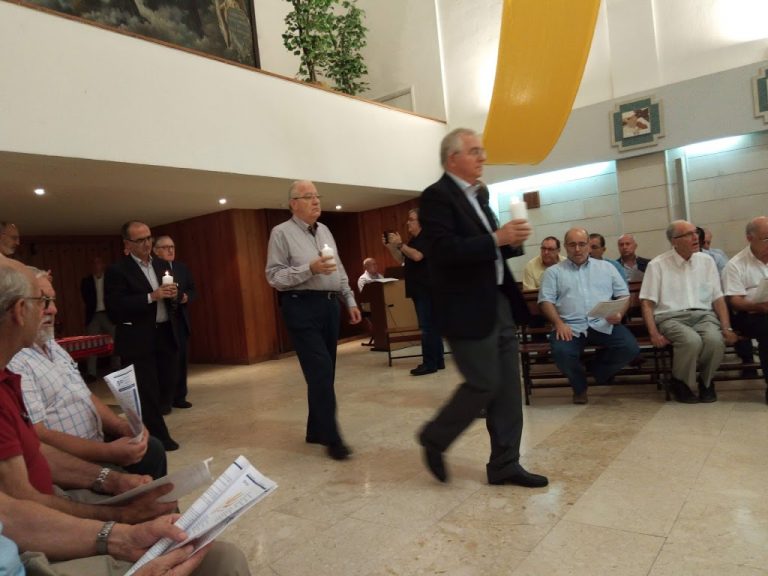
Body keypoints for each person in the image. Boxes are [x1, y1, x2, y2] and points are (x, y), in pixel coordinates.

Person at [416, 127, 547, 488]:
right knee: (483, 383)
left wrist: (511, 241)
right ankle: (435, 436)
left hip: (499, 301)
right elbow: (443, 251)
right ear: (452, 158)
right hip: (465, 308)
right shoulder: (436, 197)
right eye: (474, 151)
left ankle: (505, 463)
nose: (483, 157)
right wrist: (496, 238)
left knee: (508, 389)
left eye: (481, 151)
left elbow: (489, 249)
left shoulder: (480, 195)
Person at [0, 264, 176, 524]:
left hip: (93, 445)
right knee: (152, 504)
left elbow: (85, 395)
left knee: (153, 452)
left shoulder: (50, 345)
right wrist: (109, 465)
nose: (53, 310)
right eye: (42, 301)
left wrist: (119, 425)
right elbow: (23, 496)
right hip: (72, 460)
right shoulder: (14, 362)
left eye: (53, 300)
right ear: (19, 310)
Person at [265, 180, 361, 461]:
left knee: (325, 373)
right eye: (308, 197)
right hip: (300, 306)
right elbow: (274, 277)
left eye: (317, 196)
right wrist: (310, 268)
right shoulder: (281, 233)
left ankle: (315, 430)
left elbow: (338, 268)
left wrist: (349, 300)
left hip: (329, 306)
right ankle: (333, 438)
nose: (316, 201)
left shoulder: (326, 230)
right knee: (320, 370)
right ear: (293, 204)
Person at [640, 220, 738, 403]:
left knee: (715, 341)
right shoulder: (657, 264)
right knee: (691, 341)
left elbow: (718, 298)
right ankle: (681, 383)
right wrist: (653, 333)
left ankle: (706, 382)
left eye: (695, 233)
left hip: (704, 315)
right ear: (674, 241)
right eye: (689, 234)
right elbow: (647, 303)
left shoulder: (706, 261)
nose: (695, 237)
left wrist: (727, 327)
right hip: (670, 317)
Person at [539, 228, 639, 404]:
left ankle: (595, 370)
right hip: (569, 326)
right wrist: (558, 323)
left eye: (582, 244)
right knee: (562, 352)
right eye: (572, 245)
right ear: (565, 247)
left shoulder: (607, 268)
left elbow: (624, 295)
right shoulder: (553, 272)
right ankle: (580, 388)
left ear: (588, 246)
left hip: (603, 322)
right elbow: (545, 301)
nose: (577, 249)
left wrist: (619, 313)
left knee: (629, 348)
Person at [104, 222, 180, 451]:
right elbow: (115, 307)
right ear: (127, 244)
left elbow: (171, 299)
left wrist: (174, 295)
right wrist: (150, 296)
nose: (147, 244)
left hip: (165, 332)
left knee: (167, 383)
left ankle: (149, 427)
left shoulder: (161, 264)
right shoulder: (118, 270)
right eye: (140, 240)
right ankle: (158, 437)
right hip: (137, 337)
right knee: (147, 390)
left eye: (148, 238)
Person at [385, 209, 445, 375]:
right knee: (431, 326)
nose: (408, 222)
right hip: (420, 288)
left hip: (426, 288)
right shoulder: (414, 240)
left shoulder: (427, 237)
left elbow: (417, 256)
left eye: (411, 219)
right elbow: (402, 259)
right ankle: (438, 361)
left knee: (427, 327)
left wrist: (400, 244)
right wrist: (391, 247)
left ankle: (429, 363)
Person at [722, 216, 768, 402]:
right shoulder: (736, 264)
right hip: (748, 315)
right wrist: (760, 307)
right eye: (766, 238)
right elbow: (735, 301)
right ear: (750, 238)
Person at [153, 235, 197, 410]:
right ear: (156, 251)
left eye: (172, 247)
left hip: (180, 320)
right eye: (165, 247)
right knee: (165, 363)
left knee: (181, 359)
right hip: (162, 322)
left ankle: (180, 396)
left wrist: (186, 296)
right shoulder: (152, 269)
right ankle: (165, 399)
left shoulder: (181, 268)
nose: (170, 250)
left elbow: (192, 289)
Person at [80, 256, 120, 381]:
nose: (96, 266)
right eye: (94, 263)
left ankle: (116, 368)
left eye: (98, 263)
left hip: (109, 314)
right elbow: (86, 298)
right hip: (94, 315)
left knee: (115, 340)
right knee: (91, 344)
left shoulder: (110, 280)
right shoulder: (86, 281)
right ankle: (91, 373)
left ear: (103, 265)